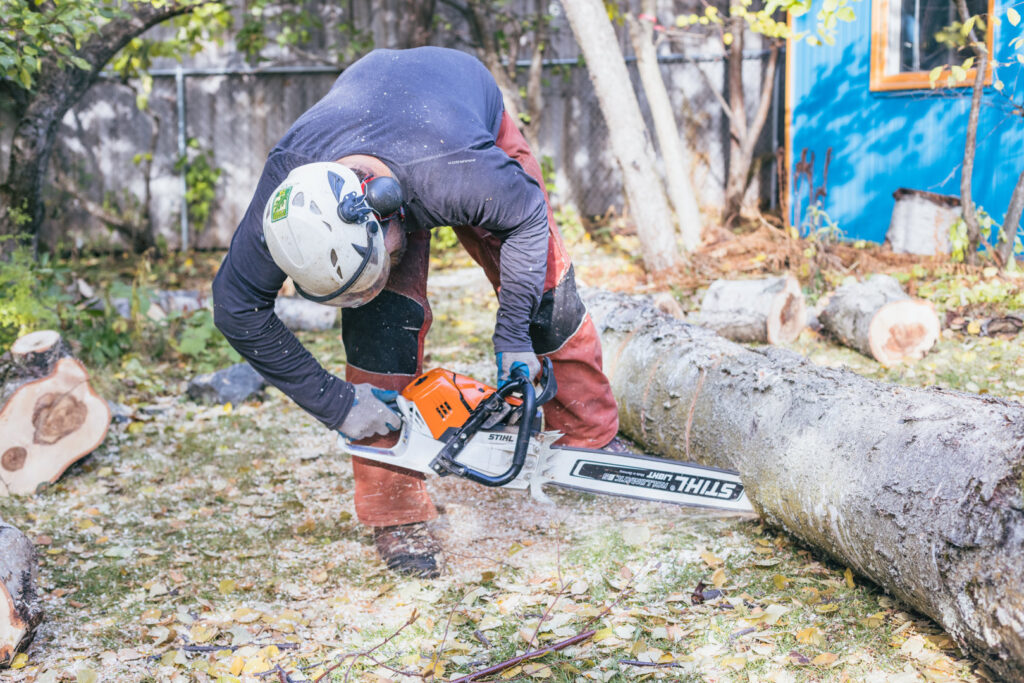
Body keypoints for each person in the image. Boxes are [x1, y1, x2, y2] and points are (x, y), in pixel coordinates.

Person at [213, 46, 623, 578]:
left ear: (386, 217)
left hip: (457, 121)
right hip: (374, 125)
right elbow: (235, 307)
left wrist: (514, 336)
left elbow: (525, 218)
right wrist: (338, 405)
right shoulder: (286, 198)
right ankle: (397, 513)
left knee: (546, 291)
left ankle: (592, 441)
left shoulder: (459, 172)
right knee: (380, 328)